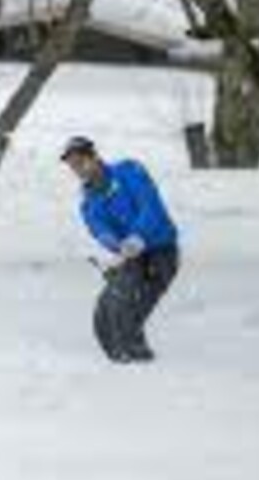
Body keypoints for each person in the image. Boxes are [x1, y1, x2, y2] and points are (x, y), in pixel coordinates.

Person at [59, 136, 180, 364]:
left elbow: (150, 206)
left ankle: (136, 355)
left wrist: (138, 236)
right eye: (73, 166)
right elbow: (100, 231)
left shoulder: (130, 172)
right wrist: (115, 247)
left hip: (161, 251)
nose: (79, 169)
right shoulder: (88, 203)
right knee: (110, 305)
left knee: (132, 308)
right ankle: (119, 357)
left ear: (94, 157)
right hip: (131, 256)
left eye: (82, 161)